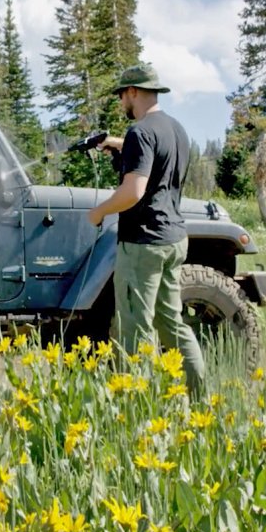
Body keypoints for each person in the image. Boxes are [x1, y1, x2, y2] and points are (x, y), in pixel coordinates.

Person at [86, 63, 205, 395]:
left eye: (123, 94)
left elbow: (133, 192)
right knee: (171, 324)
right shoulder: (175, 129)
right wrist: (115, 143)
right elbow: (153, 153)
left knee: (134, 328)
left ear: (133, 92)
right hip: (173, 239)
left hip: (143, 245)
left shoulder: (140, 132)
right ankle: (198, 396)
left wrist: (98, 212)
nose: (122, 101)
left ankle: (139, 405)